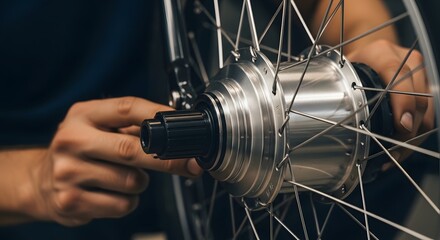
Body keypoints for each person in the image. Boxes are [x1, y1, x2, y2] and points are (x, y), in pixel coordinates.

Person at [0, 0, 433, 239]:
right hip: (54, 210)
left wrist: (374, 55)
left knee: (402, 125)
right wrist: (33, 181)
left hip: (232, 168)